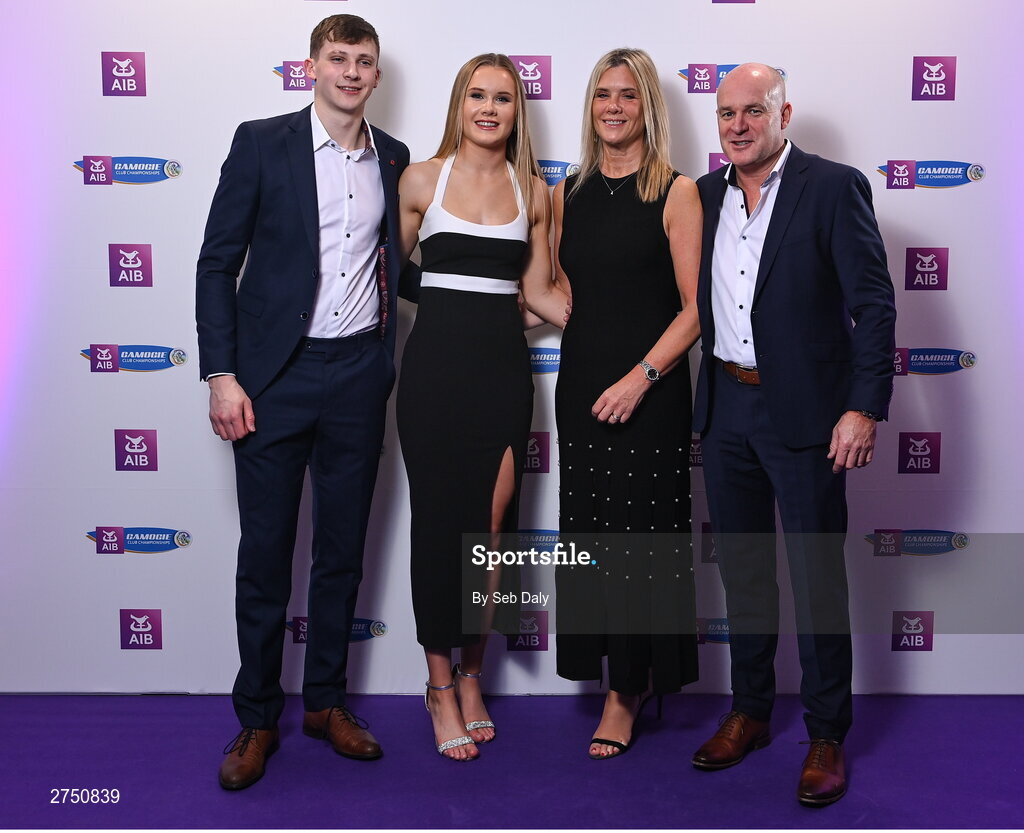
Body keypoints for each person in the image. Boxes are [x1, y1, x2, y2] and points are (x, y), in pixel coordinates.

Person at [195, 14, 409, 790]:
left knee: (341, 552)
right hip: (273, 379)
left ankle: (325, 702)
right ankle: (257, 716)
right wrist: (221, 373)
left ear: (377, 75)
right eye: (338, 58)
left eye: (365, 61)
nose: (352, 72)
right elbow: (218, 263)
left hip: (358, 377)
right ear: (311, 66)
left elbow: (405, 266)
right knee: (265, 557)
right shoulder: (261, 142)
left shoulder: (395, 158)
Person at [689, 64, 896, 806]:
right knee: (743, 574)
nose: (738, 125)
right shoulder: (703, 195)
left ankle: (826, 732)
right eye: (726, 114)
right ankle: (747, 710)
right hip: (726, 409)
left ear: (784, 114)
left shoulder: (833, 187)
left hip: (808, 417)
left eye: (753, 111)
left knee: (815, 582)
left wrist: (863, 407)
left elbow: (873, 305)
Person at [396, 53, 567, 762]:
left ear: (515, 111)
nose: (489, 108)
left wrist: (624, 316)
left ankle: (472, 674)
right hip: (432, 373)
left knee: (491, 529)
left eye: (502, 97)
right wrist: (449, 303)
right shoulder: (419, 180)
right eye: (477, 95)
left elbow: (539, 296)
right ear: (459, 103)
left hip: (502, 375)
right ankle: (438, 685)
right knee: (439, 527)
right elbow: (382, 275)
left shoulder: (534, 190)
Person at [552, 48, 702, 759]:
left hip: (651, 392)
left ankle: (629, 689)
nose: (614, 107)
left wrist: (641, 375)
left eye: (628, 96)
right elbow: (550, 291)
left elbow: (697, 309)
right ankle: (609, 670)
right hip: (581, 388)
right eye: (602, 95)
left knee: (642, 539)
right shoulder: (566, 193)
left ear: (649, 108)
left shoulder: (676, 192)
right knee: (591, 535)